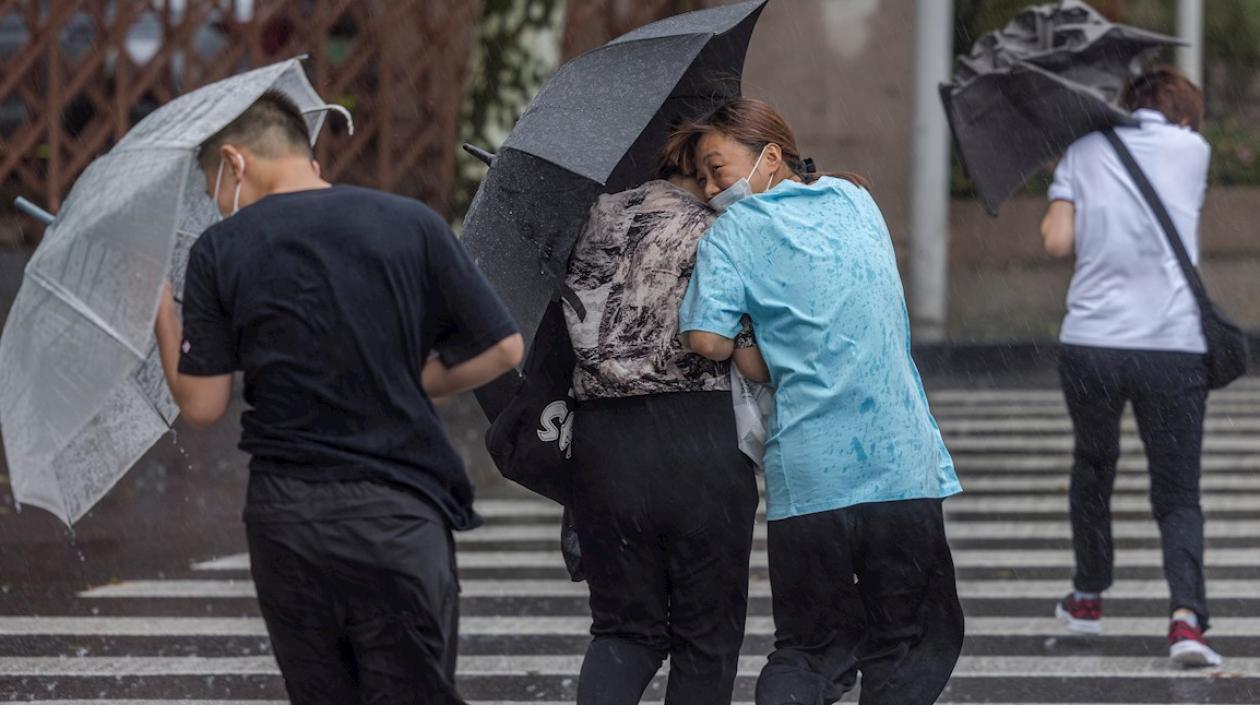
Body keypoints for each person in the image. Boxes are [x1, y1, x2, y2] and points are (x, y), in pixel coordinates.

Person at [152, 91, 523, 704]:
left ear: (234, 161)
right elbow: (503, 349)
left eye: (210, 184)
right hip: (396, 513)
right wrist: (413, 382)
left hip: (287, 520)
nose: (216, 200)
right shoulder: (411, 224)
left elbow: (202, 405)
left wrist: (163, 316)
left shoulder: (221, 248)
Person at [676, 97, 965, 705]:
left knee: (810, 650)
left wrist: (748, 334)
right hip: (900, 465)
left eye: (716, 169)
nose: (708, 190)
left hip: (808, 478)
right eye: (701, 178)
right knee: (909, 642)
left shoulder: (731, 234)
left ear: (770, 156)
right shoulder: (857, 201)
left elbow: (705, 339)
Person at [562, 141, 761, 705]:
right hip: (698, 436)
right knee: (706, 639)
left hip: (603, 442)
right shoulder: (722, 230)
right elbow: (742, 342)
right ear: (700, 159)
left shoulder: (594, 217)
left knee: (623, 632)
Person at [1040, 66, 1221, 667]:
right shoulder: (1192, 150)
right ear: (1183, 114)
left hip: (1092, 343)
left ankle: (1088, 597)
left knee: (1094, 467)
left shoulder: (1082, 149)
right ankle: (1186, 619)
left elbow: (1057, 242)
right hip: (1172, 346)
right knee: (1178, 489)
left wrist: (1066, 179)